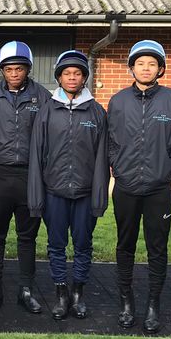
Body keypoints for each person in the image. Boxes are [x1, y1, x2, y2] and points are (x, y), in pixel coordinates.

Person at [107, 40, 171, 333]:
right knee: (125, 245)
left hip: (159, 190)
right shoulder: (118, 101)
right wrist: (117, 163)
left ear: (161, 69)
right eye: (140, 63)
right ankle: (126, 302)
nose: (145, 68)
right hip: (125, 187)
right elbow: (108, 140)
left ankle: (152, 305)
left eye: (152, 64)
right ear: (131, 67)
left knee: (157, 248)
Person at [0, 41, 52, 313]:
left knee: (27, 237)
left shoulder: (43, 97)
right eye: (9, 69)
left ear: (28, 69)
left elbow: (51, 141)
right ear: (2, 71)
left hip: (31, 177)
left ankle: (26, 290)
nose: (14, 73)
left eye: (19, 68)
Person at [27, 51, 109, 320]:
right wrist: (36, 197)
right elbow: (37, 156)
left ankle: (78, 294)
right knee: (56, 245)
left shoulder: (96, 112)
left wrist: (98, 197)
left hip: (85, 194)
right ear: (59, 78)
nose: (72, 77)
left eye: (77, 73)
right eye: (67, 73)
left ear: (84, 77)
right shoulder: (47, 110)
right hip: (55, 193)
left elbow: (101, 159)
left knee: (84, 245)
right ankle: (61, 293)